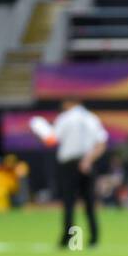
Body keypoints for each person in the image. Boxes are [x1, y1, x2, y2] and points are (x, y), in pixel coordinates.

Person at [35, 98, 107, 247]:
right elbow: (101, 144)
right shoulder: (92, 118)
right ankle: (94, 239)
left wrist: (39, 128)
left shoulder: (65, 118)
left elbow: (51, 140)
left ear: (69, 104)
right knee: (89, 203)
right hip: (87, 163)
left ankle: (68, 239)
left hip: (69, 165)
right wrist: (88, 160)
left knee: (69, 203)